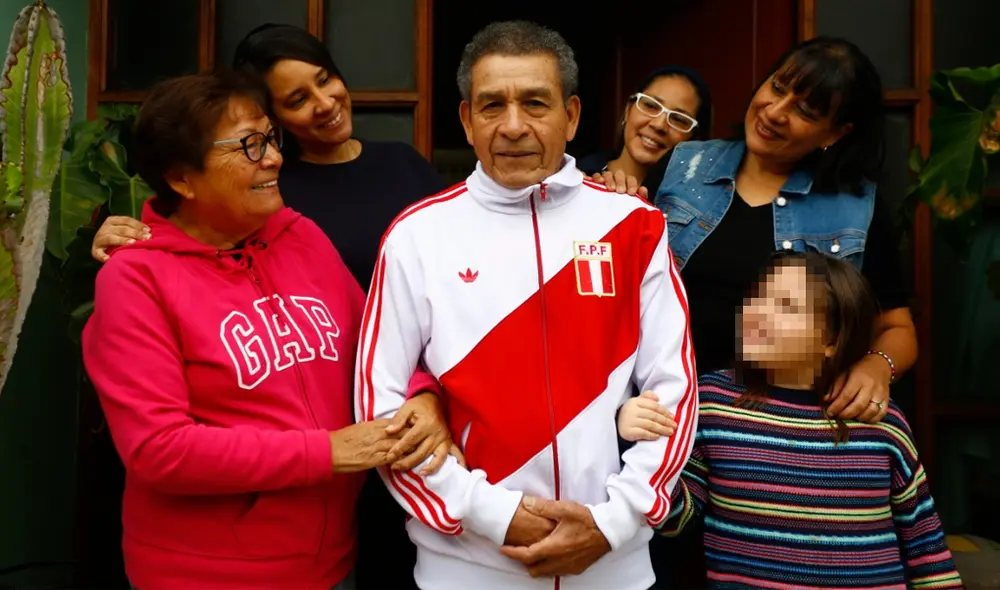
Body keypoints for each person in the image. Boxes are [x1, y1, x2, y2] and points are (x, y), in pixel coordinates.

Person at [86, 24, 451, 589]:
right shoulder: (135, 280)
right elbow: (159, 450)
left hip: (333, 561)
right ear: (182, 178)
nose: (274, 159)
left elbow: (380, 344)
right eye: (249, 146)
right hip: (208, 574)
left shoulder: (298, 234)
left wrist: (425, 397)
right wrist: (326, 452)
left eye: (269, 139)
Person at [355, 20, 697, 590]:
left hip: (612, 566)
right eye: (493, 106)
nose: (514, 126)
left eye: (536, 104)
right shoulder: (417, 235)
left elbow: (674, 386)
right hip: (466, 567)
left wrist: (613, 522)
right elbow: (378, 402)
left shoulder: (634, 226)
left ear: (573, 115)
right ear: (467, 120)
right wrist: (491, 514)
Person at [617, 252, 963, 589]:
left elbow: (925, 542)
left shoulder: (877, 417)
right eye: (756, 298)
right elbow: (675, 518)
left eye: (786, 306)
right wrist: (639, 436)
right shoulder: (712, 403)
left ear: (831, 340)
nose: (757, 313)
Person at [578, 65, 713, 192]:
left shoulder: (692, 208)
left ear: (694, 138)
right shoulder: (576, 176)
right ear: (628, 110)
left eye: (678, 119)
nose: (659, 125)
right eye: (651, 106)